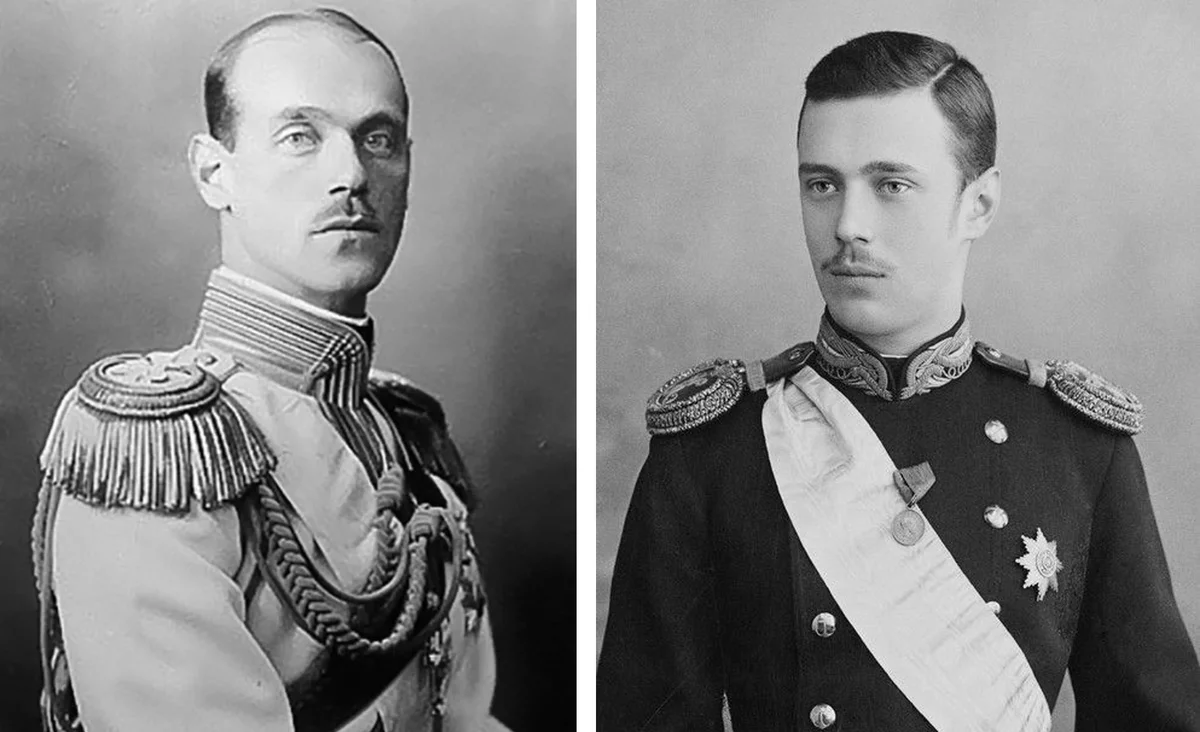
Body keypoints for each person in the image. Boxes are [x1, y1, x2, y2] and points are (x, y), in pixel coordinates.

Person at [597, 31, 1200, 731]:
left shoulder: (1077, 449)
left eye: (891, 185)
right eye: (822, 185)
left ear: (979, 204)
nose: (847, 226)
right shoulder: (712, 452)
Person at [31, 9, 509, 732]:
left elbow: (465, 716)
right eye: (300, 137)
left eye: (378, 139)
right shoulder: (161, 452)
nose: (351, 175)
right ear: (213, 173)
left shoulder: (405, 435)